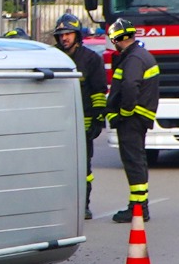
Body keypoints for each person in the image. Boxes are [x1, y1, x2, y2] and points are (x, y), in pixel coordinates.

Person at [103, 17, 160, 224]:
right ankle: (139, 205)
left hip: (132, 119)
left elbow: (129, 87)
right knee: (137, 160)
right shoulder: (139, 55)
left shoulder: (133, 59)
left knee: (133, 162)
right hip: (138, 117)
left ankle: (138, 208)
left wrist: (123, 114)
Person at [54, 12, 107, 219]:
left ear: (77, 35)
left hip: (82, 126)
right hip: (58, 124)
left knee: (83, 168)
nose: (64, 38)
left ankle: (83, 205)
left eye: (68, 34)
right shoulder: (54, 57)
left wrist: (97, 120)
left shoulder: (91, 59)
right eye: (61, 35)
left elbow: (98, 92)